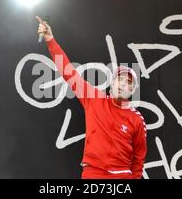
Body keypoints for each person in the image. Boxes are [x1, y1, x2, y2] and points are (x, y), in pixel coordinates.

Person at [36, 16, 147, 179]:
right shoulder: (95, 98)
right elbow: (69, 72)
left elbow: (139, 159)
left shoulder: (137, 119)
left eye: (128, 82)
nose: (122, 84)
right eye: (120, 79)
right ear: (112, 82)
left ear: (133, 90)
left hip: (122, 176)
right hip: (93, 173)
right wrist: (50, 40)